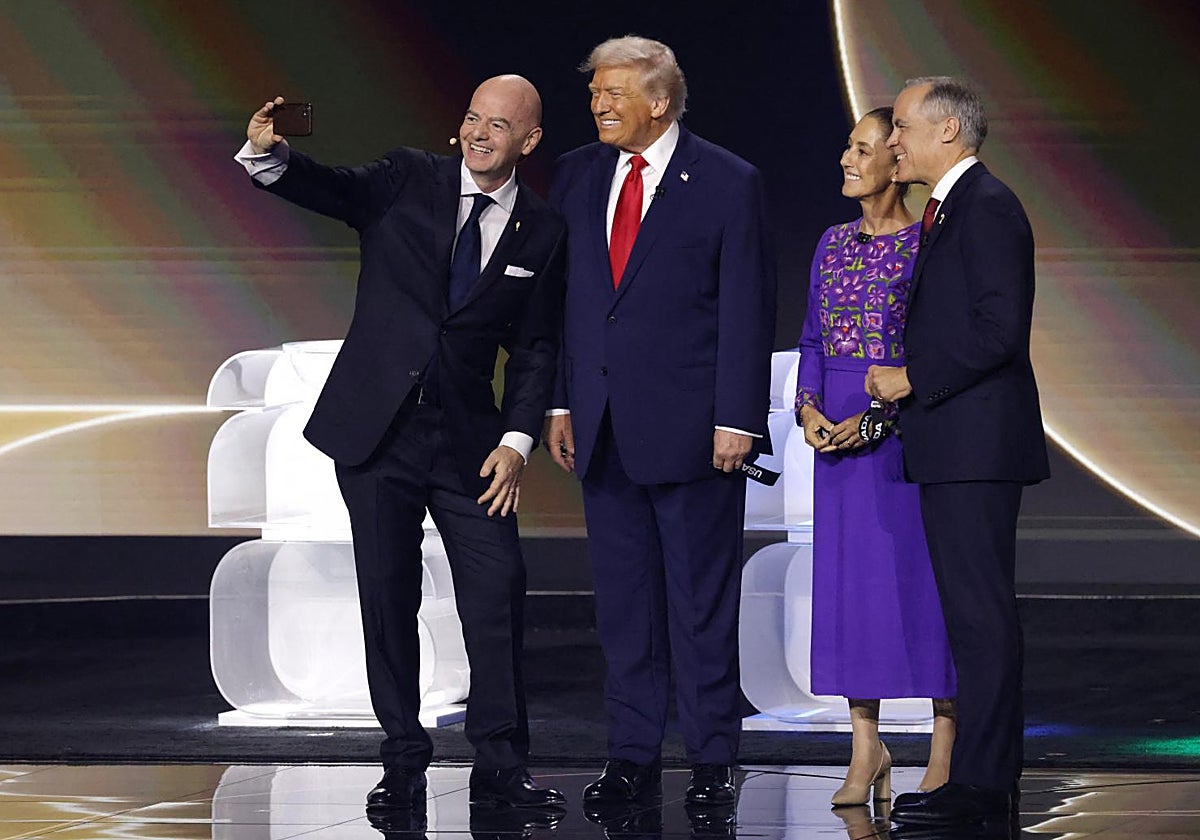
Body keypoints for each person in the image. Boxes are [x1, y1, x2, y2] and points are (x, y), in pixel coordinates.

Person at [234, 75, 567, 812]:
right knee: (387, 599)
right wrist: (271, 156)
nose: (481, 134)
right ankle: (404, 764)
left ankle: (503, 769)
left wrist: (516, 441)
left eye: (500, 126)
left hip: (471, 445)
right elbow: (328, 188)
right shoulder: (407, 177)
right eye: (473, 118)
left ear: (530, 140)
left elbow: (538, 347)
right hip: (377, 433)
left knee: (498, 591)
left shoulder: (542, 230)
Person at [543, 36, 776, 807]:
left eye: (613, 92)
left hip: (696, 431)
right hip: (602, 430)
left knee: (700, 604)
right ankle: (633, 756)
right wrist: (561, 400)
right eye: (595, 93)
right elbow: (568, 303)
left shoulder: (725, 180)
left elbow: (747, 305)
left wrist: (738, 418)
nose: (598, 104)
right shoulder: (577, 174)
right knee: (624, 607)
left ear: (660, 101)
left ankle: (713, 761)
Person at [865, 77, 1050, 829]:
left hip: (976, 444)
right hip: (954, 443)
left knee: (981, 617)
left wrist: (913, 377)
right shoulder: (953, 208)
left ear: (947, 130)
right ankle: (976, 780)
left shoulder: (989, 207)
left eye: (903, 125)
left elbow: (999, 330)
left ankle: (983, 785)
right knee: (970, 618)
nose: (893, 139)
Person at [795, 107, 956, 809]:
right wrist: (807, 410)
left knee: (923, 587)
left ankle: (946, 742)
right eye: (847, 146)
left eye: (861, 148)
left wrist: (878, 418)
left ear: (897, 160)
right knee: (851, 593)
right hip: (834, 434)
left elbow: (936, 350)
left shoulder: (928, 245)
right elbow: (809, 338)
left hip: (904, 435)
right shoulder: (831, 241)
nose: (845, 158)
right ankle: (867, 745)